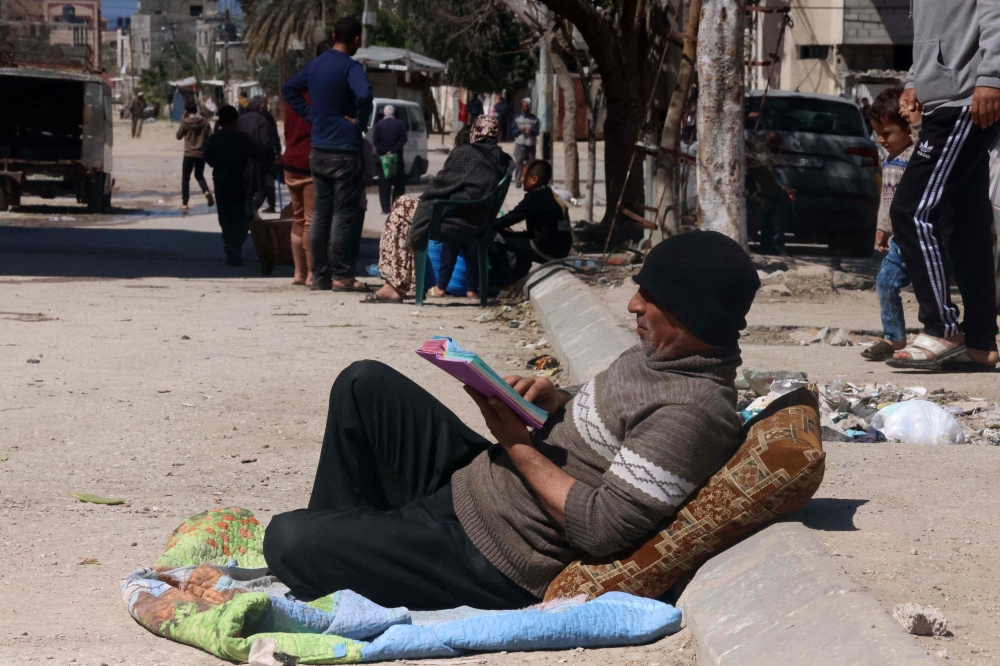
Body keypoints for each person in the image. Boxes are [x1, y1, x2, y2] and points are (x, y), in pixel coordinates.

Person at [263, 230, 758, 610]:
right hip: (478, 482)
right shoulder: (656, 355)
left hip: (492, 555)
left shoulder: (691, 413)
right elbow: (605, 419)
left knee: (286, 540)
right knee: (363, 382)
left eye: (650, 298)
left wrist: (517, 444)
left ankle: (335, 549)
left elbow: (602, 529)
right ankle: (345, 539)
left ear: (692, 314)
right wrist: (555, 399)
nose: (633, 304)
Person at [887, 0, 1000, 371]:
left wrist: (992, 77)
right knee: (969, 227)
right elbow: (933, 31)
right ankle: (981, 342)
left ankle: (942, 328)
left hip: (965, 100)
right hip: (945, 99)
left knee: (912, 211)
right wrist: (914, 82)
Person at [362, 116, 512, 304]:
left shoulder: (466, 152)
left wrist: (430, 195)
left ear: (476, 132)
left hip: (453, 218)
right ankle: (400, 284)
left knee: (401, 207)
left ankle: (394, 285)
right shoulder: (504, 159)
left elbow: (440, 185)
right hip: (476, 219)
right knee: (406, 208)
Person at [282, 16, 373, 292]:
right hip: (345, 150)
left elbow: (289, 89)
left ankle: (319, 275)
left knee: (320, 214)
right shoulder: (351, 67)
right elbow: (365, 94)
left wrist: (314, 116)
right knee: (343, 214)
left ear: (334, 35)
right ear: (356, 40)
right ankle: (342, 275)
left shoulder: (316, 64)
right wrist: (360, 121)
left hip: (318, 150)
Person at [861, 88, 922, 362]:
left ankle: (944, 333)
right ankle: (894, 336)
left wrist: (917, 120)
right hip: (898, 240)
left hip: (920, 238)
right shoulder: (889, 161)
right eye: (877, 133)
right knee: (885, 282)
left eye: (886, 133)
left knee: (929, 288)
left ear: (908, 131)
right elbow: (887, 201)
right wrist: (882, 228)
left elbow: (923, 139)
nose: (881, 139)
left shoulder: (916, 154)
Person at [494, 159, 572, 285]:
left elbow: (511, 218)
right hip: (561, 251)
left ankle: (505, 283)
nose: (521, 180)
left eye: (524, 176)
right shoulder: (550, 195)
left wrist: (488, 224)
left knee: (495, 238)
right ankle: (517, 280)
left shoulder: (535, 197)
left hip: (546, 251)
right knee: (522, 240)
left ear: (534, 179)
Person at [204, 105, 259, 266]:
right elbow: (258, 154)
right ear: (236, 120)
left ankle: (230, 244)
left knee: (225, 217)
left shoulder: (214, 139)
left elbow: (209, 160)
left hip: (221, 182)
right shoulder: (243, 138)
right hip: (240, 183)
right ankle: (235, 245)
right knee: (244, 217)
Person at [745, 131, 794, 255]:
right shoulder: (760, 159)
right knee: (779, 201)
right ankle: (774, 246)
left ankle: (770, 245)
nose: (781, 148)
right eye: (777, 144)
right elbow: (766, 187)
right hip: (751, 198)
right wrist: (785, 191)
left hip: (752, 195)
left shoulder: (759, 156)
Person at [284, 92, 315, 286]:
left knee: (298, 218)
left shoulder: (292, 96)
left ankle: (299, 273)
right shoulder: (318, 95)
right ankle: (312, 273)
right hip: (309, 160)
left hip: (291, 158)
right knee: (311, 221)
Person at [238, 96, 281, 213]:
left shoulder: (241, 119)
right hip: (264, 156)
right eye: (264, 104)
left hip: (246, 156)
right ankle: (256, 206)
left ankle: (251, 206)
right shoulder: (265, 118)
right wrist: (277, 152)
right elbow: (271, 138)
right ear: (259, 105)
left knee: (249, 183)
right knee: (267, 183)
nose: (266, 106)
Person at [175, 101, 215, 214]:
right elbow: (210, 136)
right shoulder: (204, 121)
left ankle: (185, 203)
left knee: (186, 178)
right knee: (199, 175)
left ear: (187, 111)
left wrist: (183, 120)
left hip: (189, 154)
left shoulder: (185, 122)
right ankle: (206, 192)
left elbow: (178, 136)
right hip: (201, 154)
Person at [372, 105, 408, 214]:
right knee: (398, 184)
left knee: (384, 185)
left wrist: (384, 150)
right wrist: (393, 151)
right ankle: (396, 208)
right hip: (397, 159)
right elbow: (403, 140)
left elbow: (375, 141)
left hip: (383, 160)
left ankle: (385, 209)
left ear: (384, 114)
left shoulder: (378, 125)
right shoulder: (400, 124)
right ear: (393, 114)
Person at [511, 99, 540, 188]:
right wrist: (520, 130)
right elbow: (513, 131)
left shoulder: (534, 119)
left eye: (526, 106)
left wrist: (530, 130)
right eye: (523, 106)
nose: (525, 108)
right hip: (520, 144)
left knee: (530, 164)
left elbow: (537, 132)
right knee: (519, 162)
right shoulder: (517, 118)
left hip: (530, 145)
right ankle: (518, 181)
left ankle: (528, 181)